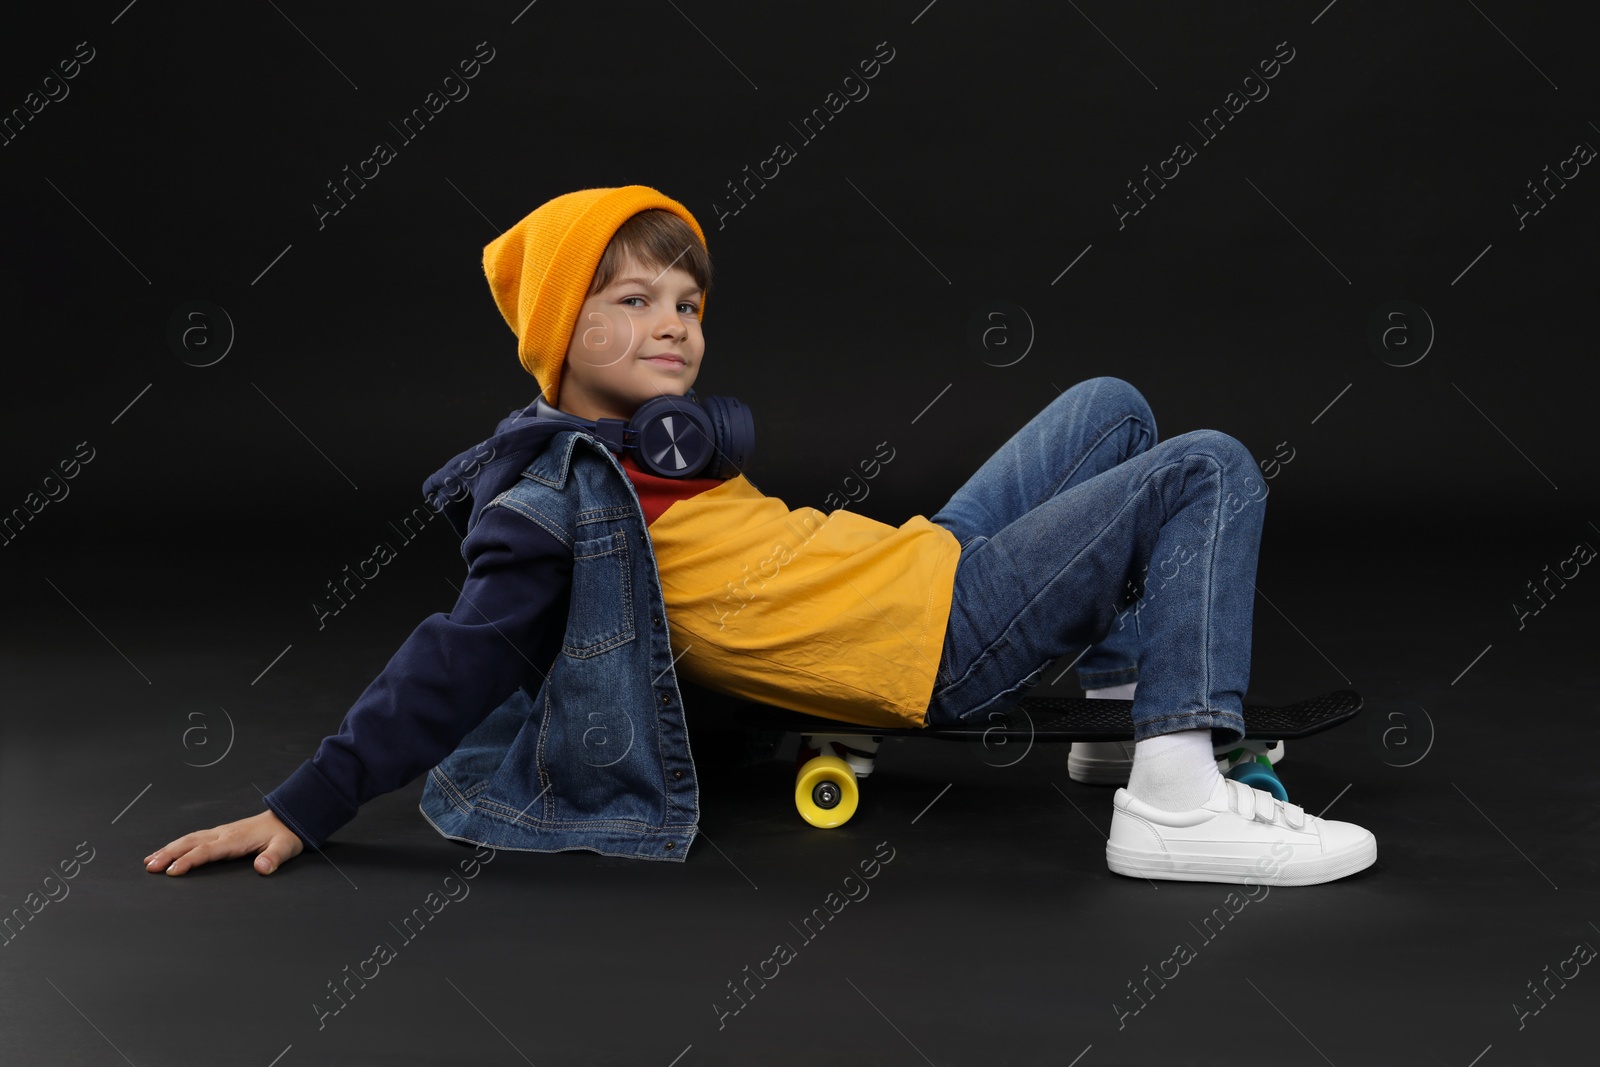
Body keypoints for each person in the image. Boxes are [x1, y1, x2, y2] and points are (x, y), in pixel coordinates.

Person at [142, 184, 1375, 886]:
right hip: (926, 645)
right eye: (631, 300)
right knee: (1205, 467)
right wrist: (306, 802)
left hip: (922, 561)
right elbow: (458, 652)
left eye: (686, 301)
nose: (674, 323)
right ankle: (1170, 801)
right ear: (559, 334)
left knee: (1109, 408)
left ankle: (1131, 716)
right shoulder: (549, 499)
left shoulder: (651, 446)